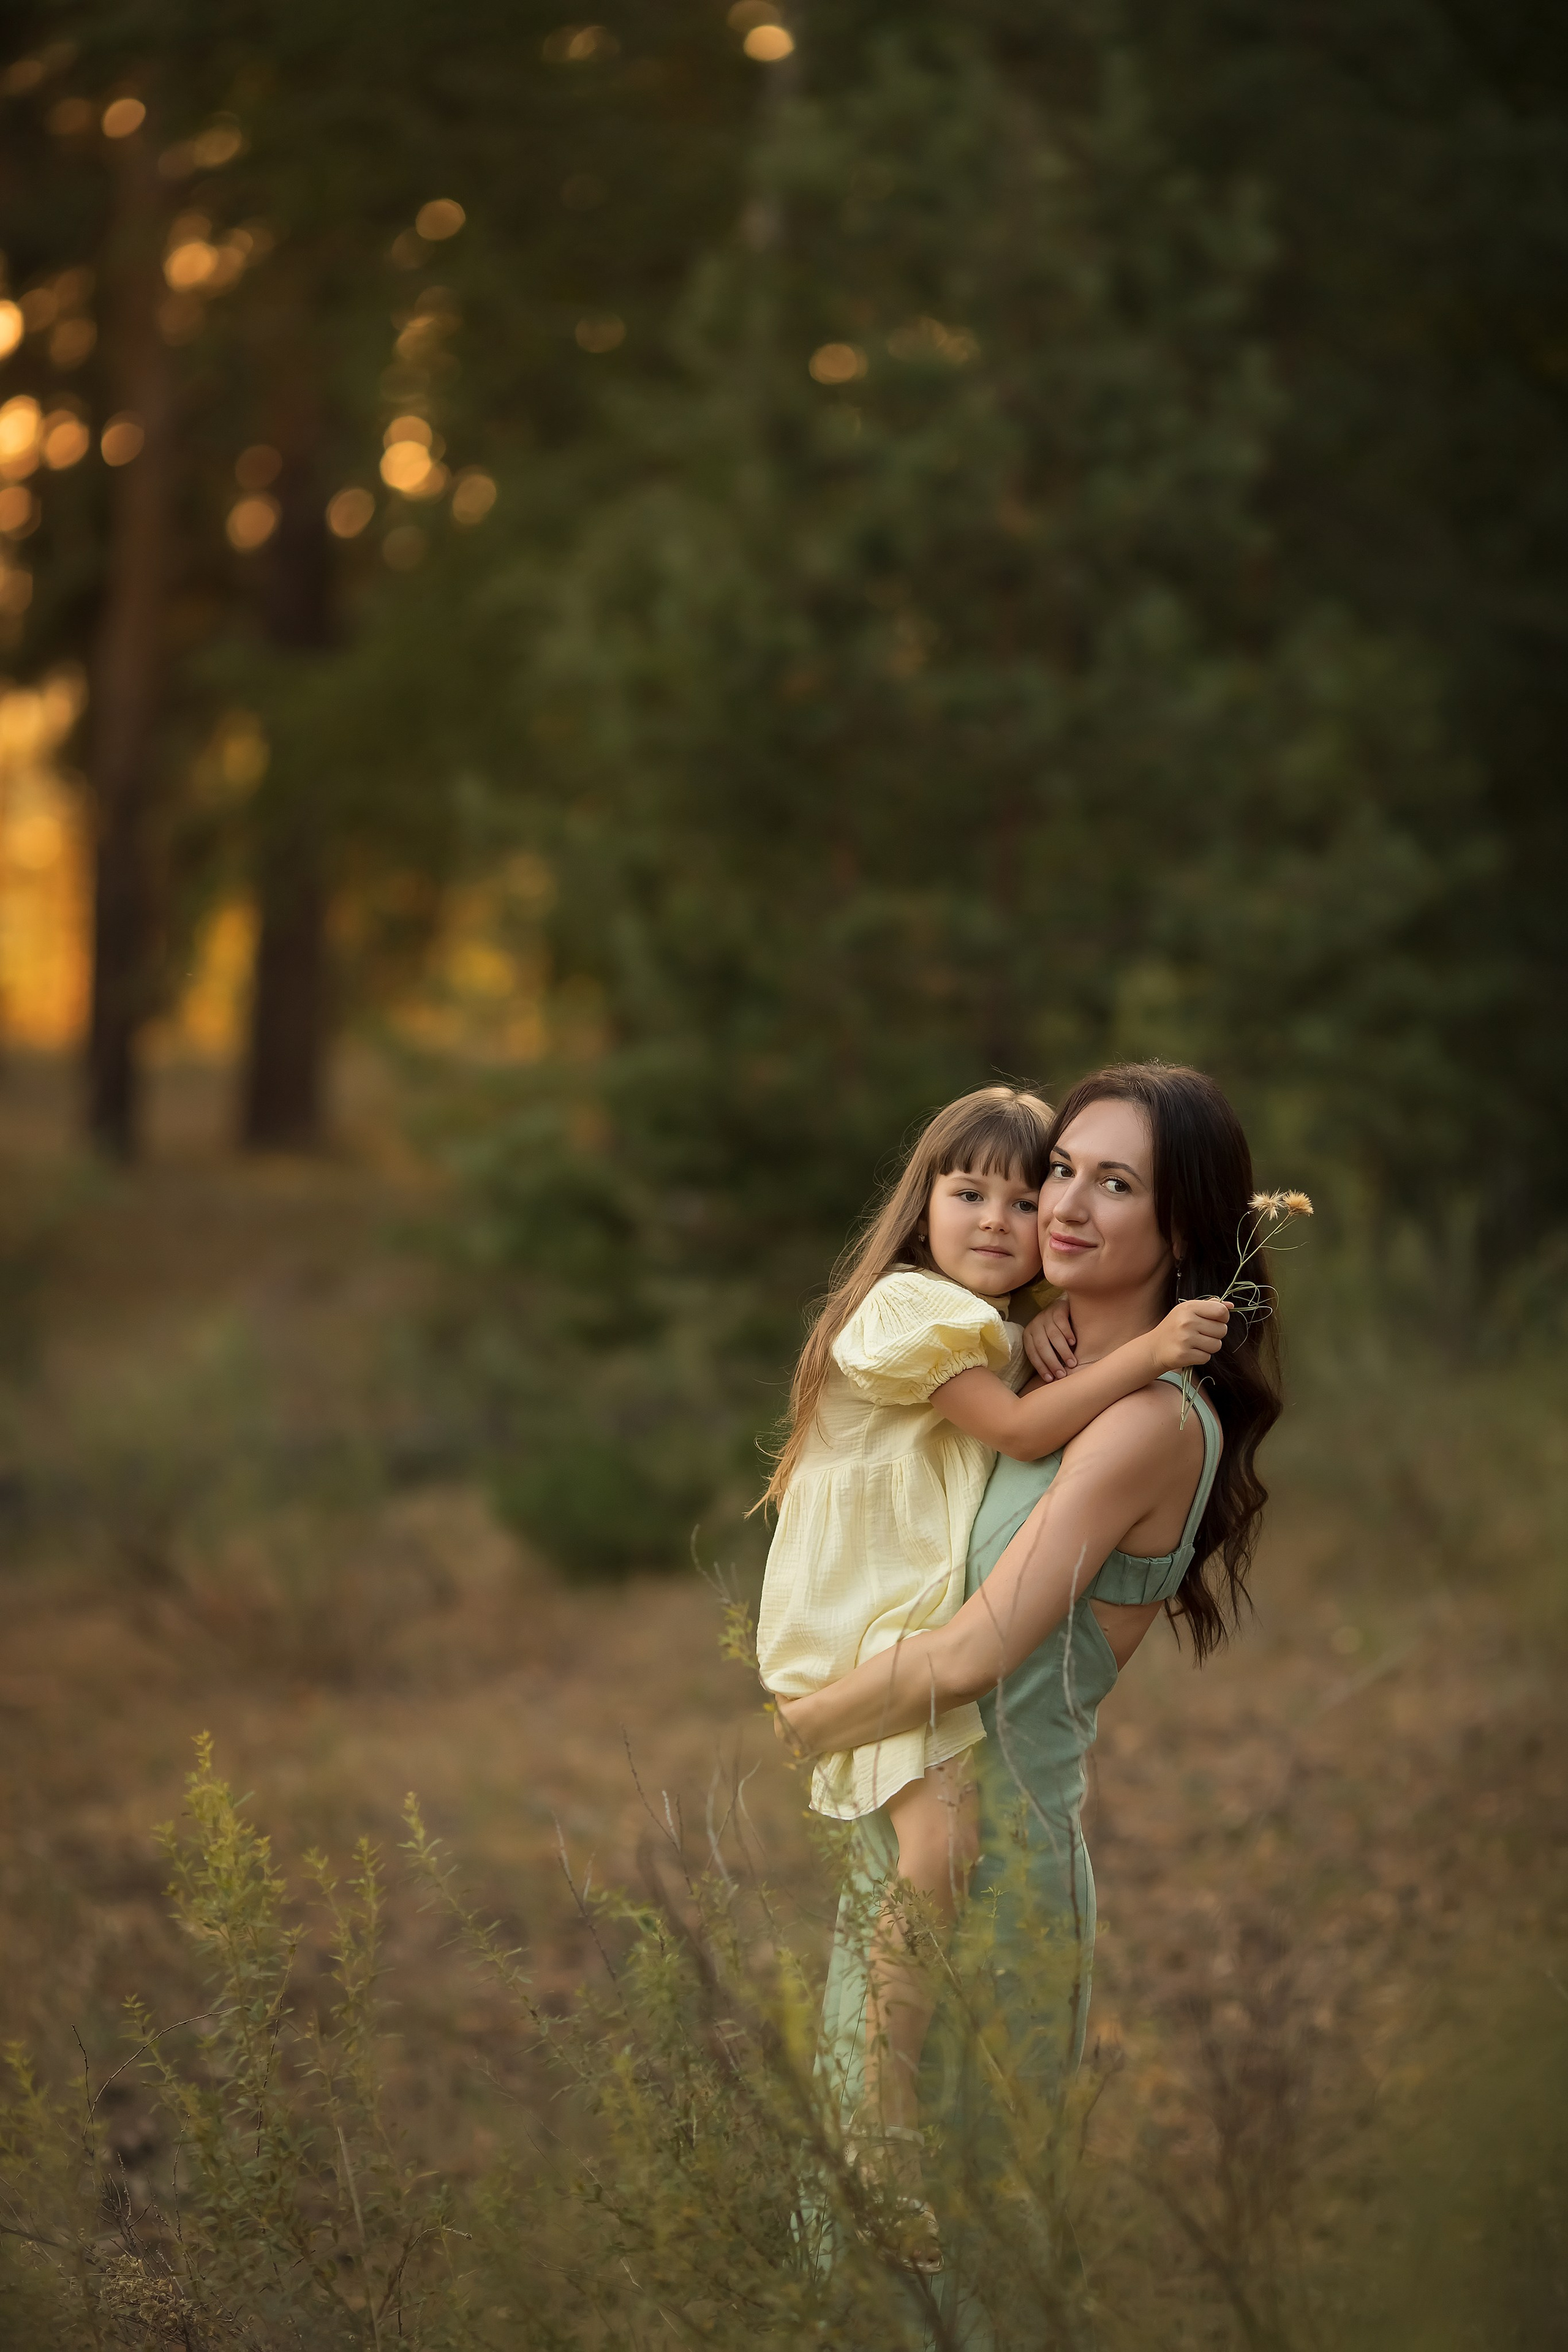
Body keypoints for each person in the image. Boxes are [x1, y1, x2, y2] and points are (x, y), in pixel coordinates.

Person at [775, 1063, 1280, 2307]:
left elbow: (968, 1655)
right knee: (849, 2243)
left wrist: (795, 1726)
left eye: (1116, 1184)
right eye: (1063, 1167)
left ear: (1183, 1232)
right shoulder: (1027, 1372)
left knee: (954, 2272)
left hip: (993, 1874)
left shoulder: (1147, 1422)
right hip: (907, 1841)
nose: (1061, 1204)